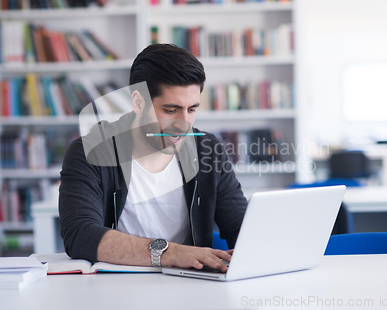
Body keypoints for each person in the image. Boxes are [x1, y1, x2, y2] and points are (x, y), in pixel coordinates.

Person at [59, 44, 248, 272]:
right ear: (138, 102)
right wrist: (173, 253)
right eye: (170, 110)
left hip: (190, 285)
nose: (184, 124)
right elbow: (80, 236)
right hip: (114, 287)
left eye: (192, 109)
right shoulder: (90, 151)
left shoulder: (208, 150)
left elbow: (242, 227)